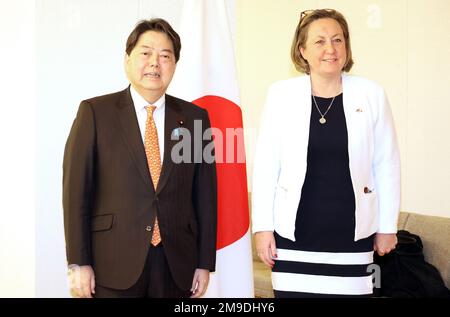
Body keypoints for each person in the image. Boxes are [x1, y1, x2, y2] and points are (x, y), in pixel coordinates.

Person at [63, 18, 217, 298]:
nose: (155, 63)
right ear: (128, 59)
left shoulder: (195, 119)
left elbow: (205, 194)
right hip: (112, 263)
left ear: (174, 65)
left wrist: (204, 263)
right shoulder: (95, 113)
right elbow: (76, 193)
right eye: (146, 53)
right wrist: (79, 262)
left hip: (177, 265)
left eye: (165, 56)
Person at [252, 9, 400, 297]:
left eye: (337, 40)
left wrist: (387, 227)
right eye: (319, 41)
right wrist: (262, 228)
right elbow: (266, 166)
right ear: (302, 50)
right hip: (293, 235)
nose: (330, 49)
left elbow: (387, 163)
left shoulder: (372, 94)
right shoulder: (280, 95)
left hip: (352, 235)